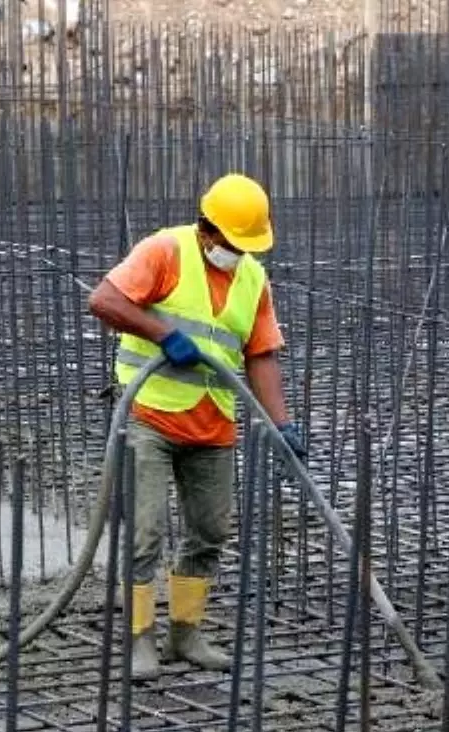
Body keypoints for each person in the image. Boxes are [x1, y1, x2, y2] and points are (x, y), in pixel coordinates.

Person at [87, 172, 307, 680]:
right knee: (146, 534)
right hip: (149, 414)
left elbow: (262, 354)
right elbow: (105, 300)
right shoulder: (165, 251)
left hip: (213, 424)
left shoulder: (252, 278)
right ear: (207, 231)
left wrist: (283, 424)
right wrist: (163, 335)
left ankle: (185, 634)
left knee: (209, 531)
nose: (238, 253)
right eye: (230, 243)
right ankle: (140, 639)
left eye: (245, 245)